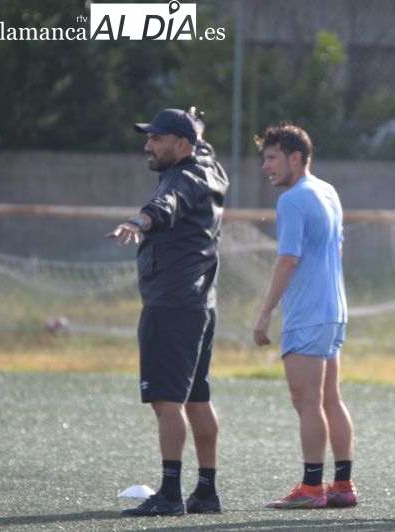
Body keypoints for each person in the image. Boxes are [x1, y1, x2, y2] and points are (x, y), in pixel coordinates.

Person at [106, 107, 228, 517]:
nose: (148, 145)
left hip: (171, 304)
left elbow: (164, 205)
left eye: (157, 138)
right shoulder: (209, 166)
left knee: (167, 402)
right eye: (149, 137)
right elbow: (201, 148)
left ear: (181, 145)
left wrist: (135, 222)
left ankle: (171, 495)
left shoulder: (181, 177)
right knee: (196, 398)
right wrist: (196, 126)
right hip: (200, 304)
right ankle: (206, 492)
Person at [252, 123, 357, 509]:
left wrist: (265, 313)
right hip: (334, 310)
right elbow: (338, 251)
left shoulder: (292, 199)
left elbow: (288, 259)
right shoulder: (328, 191)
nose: (266, 166)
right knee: (331, 399)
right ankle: (342, 484)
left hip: (309, 314)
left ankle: (312, 488)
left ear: (295, 158)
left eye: (272, 158)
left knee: (307, 401)